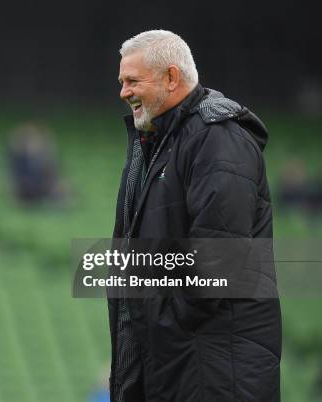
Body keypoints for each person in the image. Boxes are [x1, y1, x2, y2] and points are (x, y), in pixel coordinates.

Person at [108, 30, 281, 401]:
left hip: (213, 370)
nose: (123, 92)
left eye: (132, 81)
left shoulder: (218, 138)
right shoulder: (162, 141)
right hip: (182, 361)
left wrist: (162, 315)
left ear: (172, 78)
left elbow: (219, 259)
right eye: (122, 82)